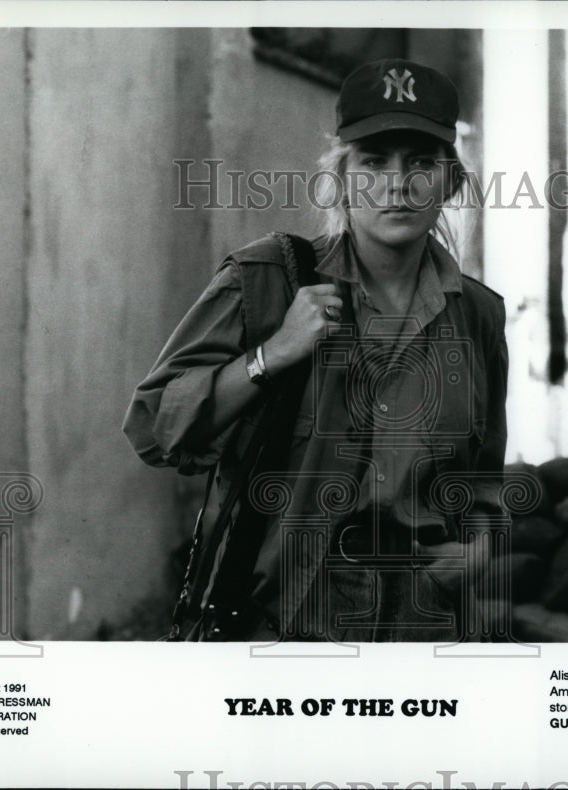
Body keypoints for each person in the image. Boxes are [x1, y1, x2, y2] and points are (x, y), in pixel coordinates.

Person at [123, 59, 508, 642]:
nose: (397, 183)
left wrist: (477, 549)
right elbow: (153, 429)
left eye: (421, 163)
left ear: (450, 182)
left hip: (422, 622)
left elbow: (482, 482)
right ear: (339, 180)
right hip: (285, 617)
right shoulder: (266, 281)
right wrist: (272, 353)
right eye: (374, 161)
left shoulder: (479, 316)